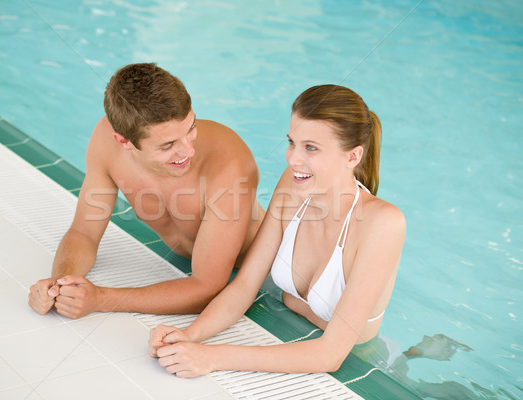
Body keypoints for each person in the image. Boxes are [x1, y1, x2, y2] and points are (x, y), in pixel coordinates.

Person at [149, 84, 406, 377]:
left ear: (353, 156)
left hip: (361, 359)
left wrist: (210, 357)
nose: (293, 159)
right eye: (292, 142)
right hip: (287, 319)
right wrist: (189, 335)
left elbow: (330, 355)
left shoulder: (383, 223)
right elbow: (246, 284)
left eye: (310, 148)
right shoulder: (294, 183)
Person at [28, 63, 265, 319]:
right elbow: (83, 232)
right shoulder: (106, 144)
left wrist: (100, 299)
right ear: (124, 141)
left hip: (268, 271)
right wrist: (61, 286)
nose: (188, 151)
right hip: (193, 270)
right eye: (169, 145)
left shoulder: (228, 161)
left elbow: (207, 288)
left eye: (191, 128)